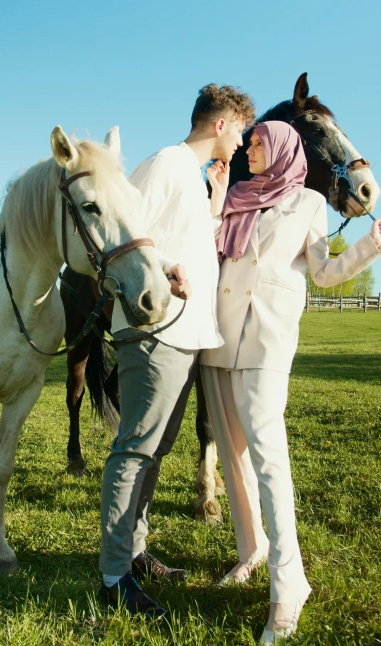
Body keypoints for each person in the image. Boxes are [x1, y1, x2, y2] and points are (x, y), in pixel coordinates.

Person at [201, 120, 381, 644]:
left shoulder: (307, 202)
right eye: (249, 142)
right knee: (232, 460)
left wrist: (370, 246)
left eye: (258, 143)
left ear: (281, 147)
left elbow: (323, 272)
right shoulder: (235, 193)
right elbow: (212, 248)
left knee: (268, 458)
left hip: (266, 338)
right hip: (220, 338)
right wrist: (216, 198)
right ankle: (251, 551)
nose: (250, 150)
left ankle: (290, 584)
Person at [98, 84, 256, 619]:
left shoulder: (193, 176)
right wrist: (164, 268)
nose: (243, 139)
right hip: (154, 330)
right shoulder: (167, 161)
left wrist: (215, 202)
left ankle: (136, 552)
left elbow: (187, 239)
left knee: (156, 450)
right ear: (221, 124)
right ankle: (114, 575)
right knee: (136, 449)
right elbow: (122, 230)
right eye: (241, 129)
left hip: (185, 335)